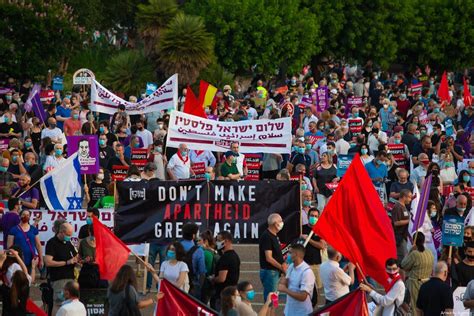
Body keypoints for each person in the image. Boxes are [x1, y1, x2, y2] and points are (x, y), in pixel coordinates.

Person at [44, 222, 79, 315]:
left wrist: (78, 259)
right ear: (61, 232)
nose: (69, 237)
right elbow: (48, 262)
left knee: (71, 303)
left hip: (70, 277)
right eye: (68, 235)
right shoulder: (52, 243)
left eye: (71, 235)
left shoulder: (68, 243)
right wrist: (66, 262)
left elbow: (76, 256)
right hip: (59, 279)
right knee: (58, 303)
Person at [278, 244, 315, 316]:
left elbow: (303, 297)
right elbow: (283, 283)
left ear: (296, 254)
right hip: (289, 310)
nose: (287, 255)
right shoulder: (291, 266)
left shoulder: (307, 272)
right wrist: (283, 272)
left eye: (290, 252)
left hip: (302, 312)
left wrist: (285, 290)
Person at [401, 232, 434, 312]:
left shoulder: (414, 254)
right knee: (424, 306)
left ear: (413, 241)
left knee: (414, 307)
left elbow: (403, 265)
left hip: (415, 284)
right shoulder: (429, 252)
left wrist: (409, 252)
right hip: (427, 283)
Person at [259, 213, 287, 301]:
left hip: (274, 272)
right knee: (270, 300)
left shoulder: (274, 235)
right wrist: (282, 267)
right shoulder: (267, 236)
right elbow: (269, 258)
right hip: (270, 273)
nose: (282, 223)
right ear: (275, 224)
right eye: (281, 221)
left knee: (274, 299)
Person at [212, 231, 241, 310]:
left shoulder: (226, 257)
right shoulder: (235, 255)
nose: (217, 243)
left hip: (224, 294)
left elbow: (222, 278)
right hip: (232, 292)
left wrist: (213, 279)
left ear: (226, 241)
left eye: (219, 240)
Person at [180, 223, 206, 299]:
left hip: (176, 284)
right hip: (192, 285)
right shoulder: (199, 250)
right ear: (193, 235)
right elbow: (202, 272)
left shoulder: (175, 247)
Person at [390, 189, 412, 263]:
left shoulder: (404, 206)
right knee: (402, 259)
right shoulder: (397, 207)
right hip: (399, 237)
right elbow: (396, 222)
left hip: (404, 236)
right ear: (404, 197)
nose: (410, 199)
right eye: (409, 197)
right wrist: (409, 221)